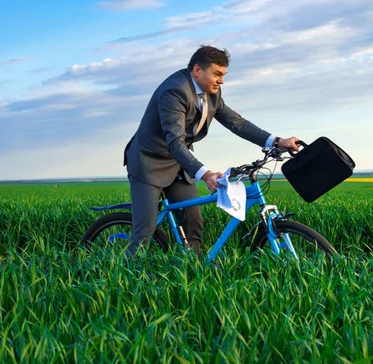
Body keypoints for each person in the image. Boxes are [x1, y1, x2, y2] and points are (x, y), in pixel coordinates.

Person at [123, 45, 300, 256]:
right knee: (144, 230)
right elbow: (175, 142)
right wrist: (206, 175)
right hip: (149, 163)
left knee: (193, 221)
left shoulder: (211, 92)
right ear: (197, 70)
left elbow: (237, 123)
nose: (221, 80)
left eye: (223, 75)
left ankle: (193, 270)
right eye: (217, 74)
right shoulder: (174, 91)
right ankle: (124, 280)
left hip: (177, 163)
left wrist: (277, 141)